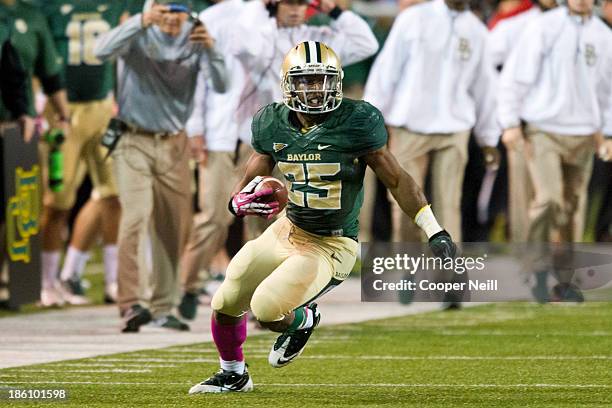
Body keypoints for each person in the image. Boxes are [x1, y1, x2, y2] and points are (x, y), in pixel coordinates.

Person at [188, 41, 457, 394]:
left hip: (331, 243)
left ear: (337, 81)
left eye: (322, 80)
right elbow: (253, 174)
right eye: (307, 81)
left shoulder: (357, 120)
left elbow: (397, 179)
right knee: (226, 300)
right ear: (288, 84)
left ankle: (304, 319)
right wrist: (238, 200)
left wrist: (433, 230)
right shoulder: (271, 121)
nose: (316, 90)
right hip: (288, 228)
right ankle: (234, 373)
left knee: (267, 309)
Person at [179, 0, 379, 320]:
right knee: (216, 215)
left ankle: (262, 301)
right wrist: (196, 128)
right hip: (227, 134)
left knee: (270, 222)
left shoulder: (313, 38)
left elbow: (365, 42)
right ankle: (188, 288)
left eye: (304, 1)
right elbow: (242, 50)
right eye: (290, 1)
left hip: (278, 142)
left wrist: (333, 9)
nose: (298, 8)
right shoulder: (239, 20)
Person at [94, 0, 228, 332]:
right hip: (133, 139)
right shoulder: (138, 33)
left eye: (176, 11)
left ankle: (163, 306)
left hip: (174, 143)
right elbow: (100, 51)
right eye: (163, 10)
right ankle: (130, 303)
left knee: (173, 226)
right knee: (136, 217)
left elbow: (223, 84)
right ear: (152, 10)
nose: (170, 18)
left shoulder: (196, 39)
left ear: (187, 13)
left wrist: (211, 50)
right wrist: (138, 21)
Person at [498, 0, 612, 301]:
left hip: (584, 133)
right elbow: (515, 76)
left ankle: (566, 281)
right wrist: (509, 122)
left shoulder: (604, 35)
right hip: (544, 129)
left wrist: (609, 132)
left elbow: (608, 91)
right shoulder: (543, 27)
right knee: (548, 199)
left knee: (574, 208)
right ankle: (536, 268)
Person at [363, 0, 500, 245]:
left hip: (455, 129)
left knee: (449, 205)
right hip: (409, 126)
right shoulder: (413, 19)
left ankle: (446, 275)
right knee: (406, 203)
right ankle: (410, 271)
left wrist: (488, 138)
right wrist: (372, 116)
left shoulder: (477, 31)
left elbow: (484, 87)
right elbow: (386, 70)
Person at [40, 0, 129, 306]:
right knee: (57, 202)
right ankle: (48, 282)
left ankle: (113, 281)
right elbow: (41, 56)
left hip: (103, 108)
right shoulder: (47, 7)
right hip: (63, 111)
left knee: (113, 196)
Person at [0, 0, 73, 308]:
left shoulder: (31, 15)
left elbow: (19, 69)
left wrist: (61, 116)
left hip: (14, 129)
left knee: (17, 208)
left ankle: (11, 281)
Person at [489, 0, 557, 243]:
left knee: (559, 197)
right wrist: (507, 119)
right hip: (524, 120)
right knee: (523, 192)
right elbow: (487, 61)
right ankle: (526, 258)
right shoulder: (520, 24)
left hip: (563, 124)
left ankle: (556, 257)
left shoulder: (584, 29)